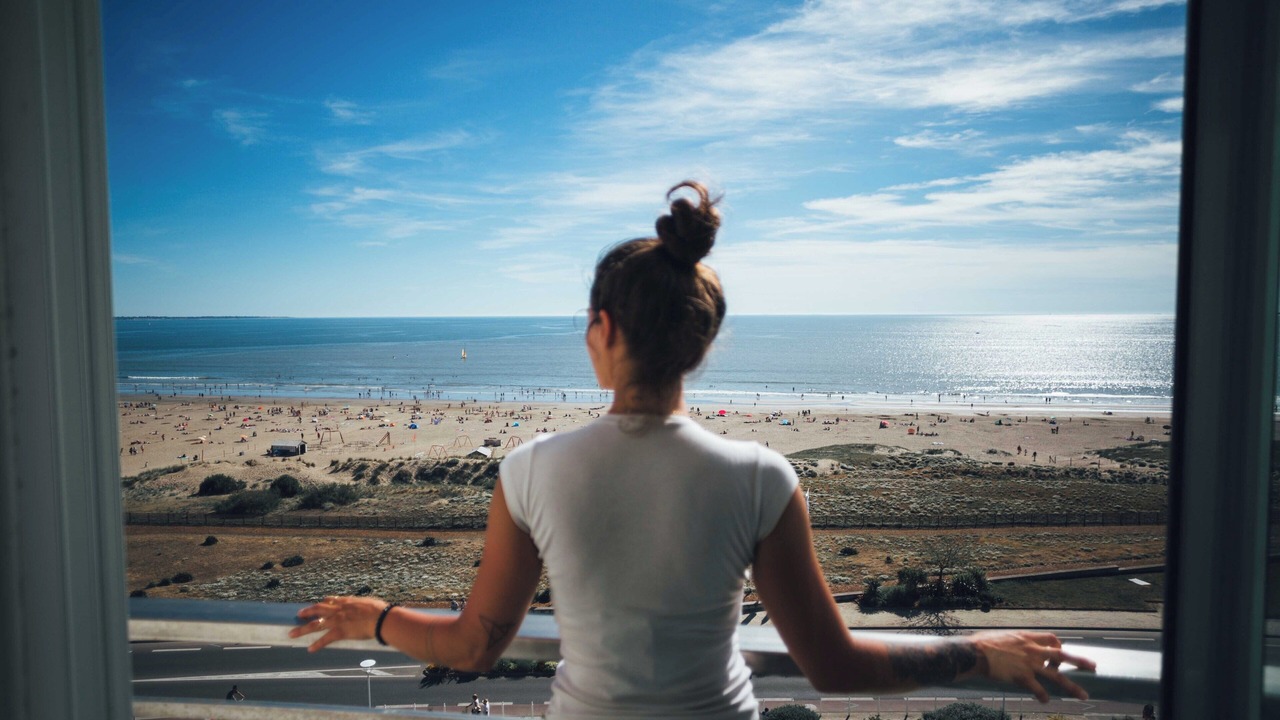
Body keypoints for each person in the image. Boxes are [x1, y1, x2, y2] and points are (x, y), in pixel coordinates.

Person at [289, 181, 1095, 719]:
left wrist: (378, 617)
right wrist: (979, 656)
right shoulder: (759, 479)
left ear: (601, 331)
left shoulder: (530, 470)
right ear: (700, 343)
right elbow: (835, 666)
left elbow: (472, 645)